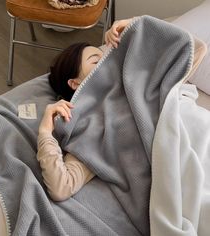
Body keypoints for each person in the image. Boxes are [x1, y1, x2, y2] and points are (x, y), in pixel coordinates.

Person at [37, 19, 132, 201]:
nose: (106, 61)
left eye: (106, 56)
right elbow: (61, 188)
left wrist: (130, 24)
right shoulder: (89, 125)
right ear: (75, 83)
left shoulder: (134, 80)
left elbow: (195, 50)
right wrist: (45, 133)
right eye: (96, 61)